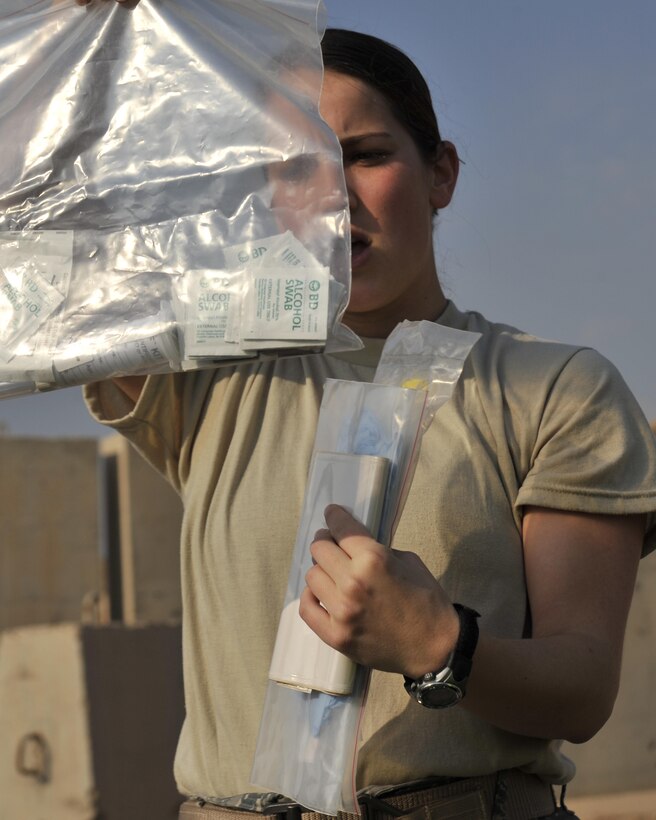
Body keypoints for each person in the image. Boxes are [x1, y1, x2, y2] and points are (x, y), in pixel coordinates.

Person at [80, 7, 656, 819]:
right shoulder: (208, 372)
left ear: (441, 173)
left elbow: (581, 688)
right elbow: (79, 216)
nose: (330, 193)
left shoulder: (552, 389)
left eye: (366, 155)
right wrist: (99, 46)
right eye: (294, 166)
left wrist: (438, 645)